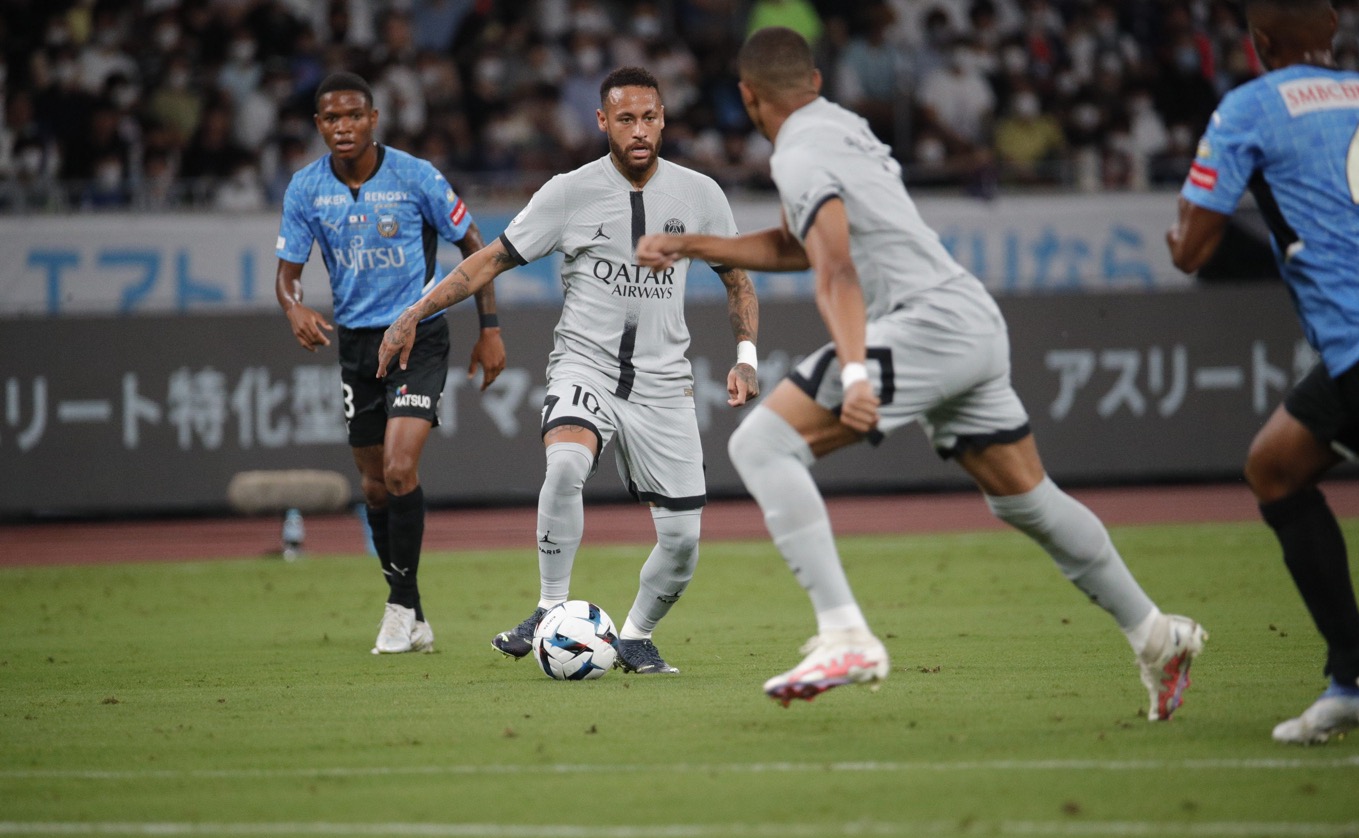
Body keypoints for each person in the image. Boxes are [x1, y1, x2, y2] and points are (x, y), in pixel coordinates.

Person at [636, 27, 1208, 712]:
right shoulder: (842, 127)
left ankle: (845, 632)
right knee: (1025, 498)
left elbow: (836, 270)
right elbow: (802, 245)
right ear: (814, 83)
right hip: (969, 321)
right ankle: (1155, 634)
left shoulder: (799, 152)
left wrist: (854, 375)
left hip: (926, 322)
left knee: (761, 442)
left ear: (747, 97)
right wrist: (693, 243)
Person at [378, 66, 761, 674]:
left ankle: (634, 635)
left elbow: (737, 280)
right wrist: (413, 313)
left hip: (665, 384)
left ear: (664, 120)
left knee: (683, 543)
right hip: (586, 366)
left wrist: (746, 358)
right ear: (603, 121)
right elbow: (488, 262)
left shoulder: (701, 195)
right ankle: (550, 608)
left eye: (651, 117)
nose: (641, 130)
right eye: (627, 118)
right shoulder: (568, 192)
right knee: (564, 465)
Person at [1167, 0, 1359, 744]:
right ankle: (1351, 676)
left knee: (1275, 471)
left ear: (1256, 44)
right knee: (1276, 464)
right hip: (1356, 351)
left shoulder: (1248, 108)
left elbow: (1191, 251)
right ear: (1335, 37)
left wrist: (1177, 234)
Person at [274, 72, 505, 656]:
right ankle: (415, 611)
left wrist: (490, 328)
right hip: (356, 346)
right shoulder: (306, 189)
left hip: (417, 336)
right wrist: (293, 308)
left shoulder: (415, 176)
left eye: (353, 115)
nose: (343, 127)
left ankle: (398, 609)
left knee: (401, 470)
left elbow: (475, 246)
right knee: (375, 487)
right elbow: (288, 273)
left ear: (374, 119)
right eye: (331, 118)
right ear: (319, 125)